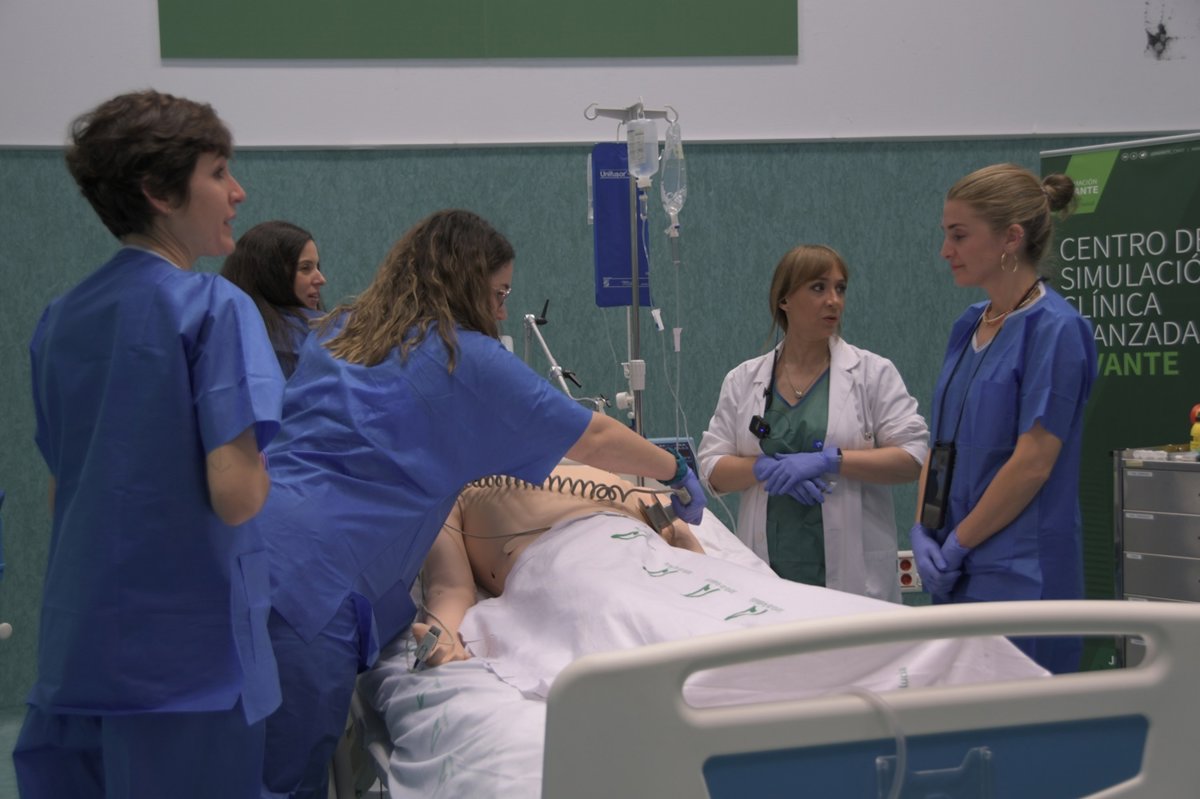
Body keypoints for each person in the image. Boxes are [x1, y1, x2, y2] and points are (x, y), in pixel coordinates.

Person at [257, 208, 707, 799]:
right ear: (467, 284)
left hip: (249, 545)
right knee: (284, 779)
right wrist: (675, 469)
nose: (501, 313)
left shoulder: (343, 330)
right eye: (498, 294)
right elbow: (593, 437)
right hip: (315, 584)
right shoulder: (462, 358)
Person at [14, 90, 283, 799]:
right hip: (188, 670)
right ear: (160, 192)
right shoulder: (214, 308)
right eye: (218, 172)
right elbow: (236, 495)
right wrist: (268, 461)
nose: (238, 191)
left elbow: (62, 491)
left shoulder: (60, 319)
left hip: (78, 655)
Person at [909, 163, 1096, 675]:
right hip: (955, 570)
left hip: (1022, 573)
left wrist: (960, 542)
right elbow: (941, 442)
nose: (945, 250)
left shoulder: (1057, 329)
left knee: (1022, 716)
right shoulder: (968, 324)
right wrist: (924, 528)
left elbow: (1033, 463)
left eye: (959, 235)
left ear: (1011, 238)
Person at [697, 245, 928, 602]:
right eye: (819, 288)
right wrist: (763, 469)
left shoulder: (872, 374)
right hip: (768, 573)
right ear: (784, 299)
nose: (834, 301)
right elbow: (712, 469)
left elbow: (912, 458)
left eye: (840, 288)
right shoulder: (744, 380)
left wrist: (831, 461)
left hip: (854, 580)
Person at [413, 463, 705, 665]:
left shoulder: (605, 474)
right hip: (562, 560)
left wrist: (707, 577)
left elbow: (681, 540)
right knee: (624, 614)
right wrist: (443, 635)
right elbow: (450, 587)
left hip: (634, 544)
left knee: (695, 612)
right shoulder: (457, 498)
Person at [221, 220, 326, 378]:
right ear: (270, 274)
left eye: (317, 267)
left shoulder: (224, 335)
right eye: (305, 268)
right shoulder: (315, 341)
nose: (321, 279)